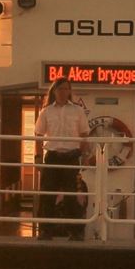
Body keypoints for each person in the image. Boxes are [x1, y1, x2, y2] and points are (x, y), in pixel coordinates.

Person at [33, 78, 90, 239]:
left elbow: (84, 134)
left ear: (70, 91)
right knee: (47, 194)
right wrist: (37, 158)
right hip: (52, 156)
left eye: (66, 89)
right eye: (60, 89)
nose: (63, 92)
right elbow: (38, 135)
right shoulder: (46, 112)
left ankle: (75, 231)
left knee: (72, 195)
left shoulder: (78, 111)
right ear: (54, 91)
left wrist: (85, 156)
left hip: (71, 156)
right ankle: (46, 230)